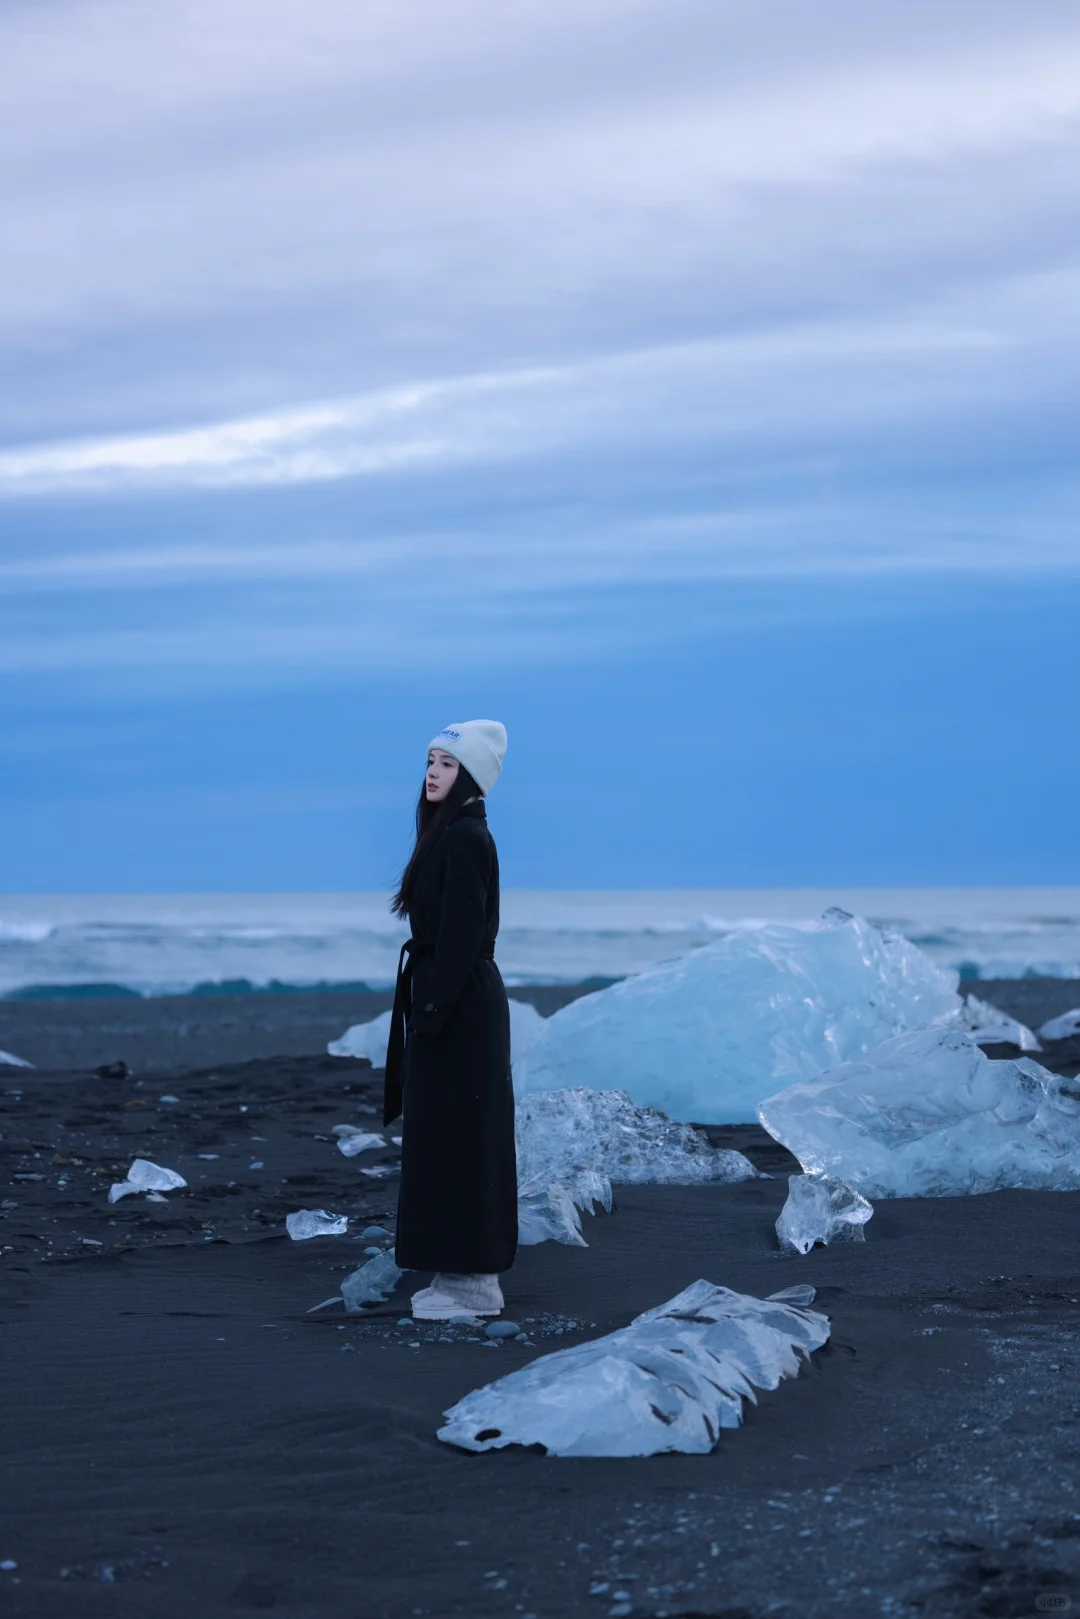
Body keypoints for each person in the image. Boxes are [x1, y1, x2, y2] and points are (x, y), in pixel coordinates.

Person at [384, 719, 517, 1320]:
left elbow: (465, 936)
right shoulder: (450, 833)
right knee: (443, 1142)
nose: (433, 772)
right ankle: (455, 1275)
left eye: (446, 763)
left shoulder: (467, 838)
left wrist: (434, 1011)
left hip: (460, 1004)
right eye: (431, 761)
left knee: (464, 1143)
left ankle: (475, 1287)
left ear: (472, 775)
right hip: (449, 998)